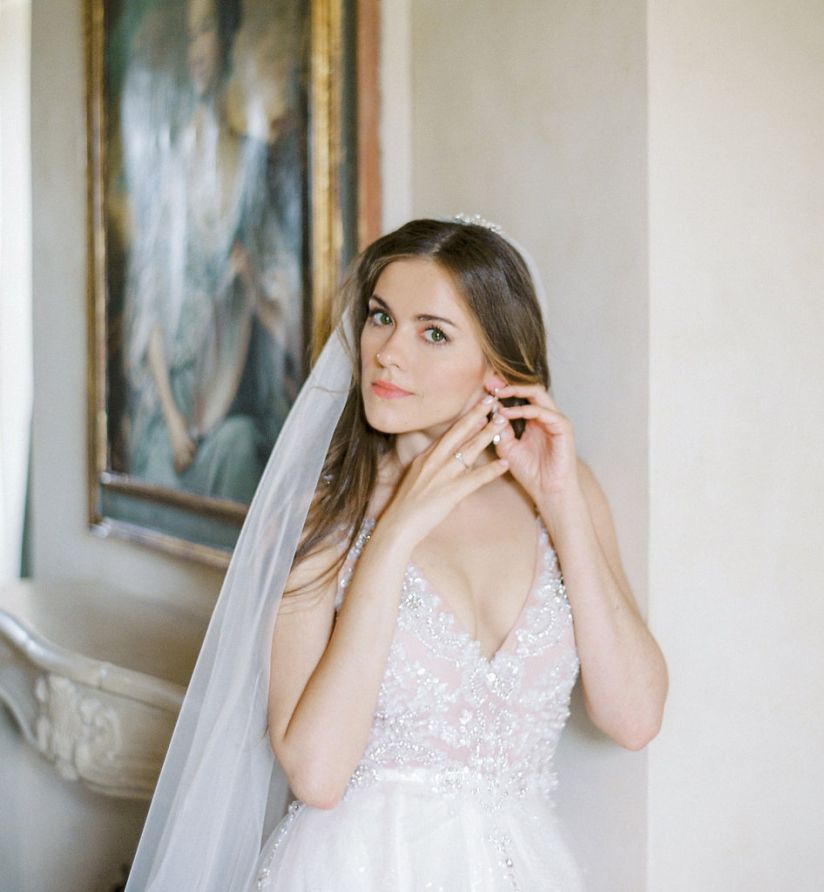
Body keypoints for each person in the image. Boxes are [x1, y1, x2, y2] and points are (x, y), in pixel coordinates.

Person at [126, 217, 668, 891]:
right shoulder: (321, 515)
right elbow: (317, 774)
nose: (387, 351)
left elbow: (635, 717)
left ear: (499, 364)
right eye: (381, 317)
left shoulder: (564, 490)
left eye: (432, 332)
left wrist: (563, 507)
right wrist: (392, 537)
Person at [123, 0, 300, 508]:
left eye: (206, 32)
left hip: (229, 385)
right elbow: (150, 305)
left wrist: (251, 282)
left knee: (244, 451)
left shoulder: (250, 163)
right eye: (190, 35)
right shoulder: (166, 167)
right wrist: (175, 421)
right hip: (171, 403)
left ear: (225, 39)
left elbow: (282, 293)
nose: (197, 50)